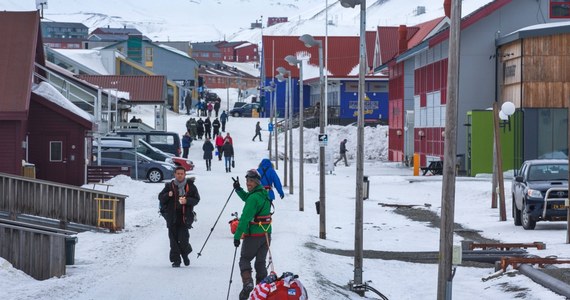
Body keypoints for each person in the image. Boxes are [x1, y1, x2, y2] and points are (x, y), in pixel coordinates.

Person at [231, 169, 272, 300]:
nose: (248, 183)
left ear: (256, 182)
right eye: (247, 181)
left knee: (244, 259)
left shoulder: (253, 198)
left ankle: (248, 283)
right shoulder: (263, 193)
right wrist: (239, 189)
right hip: (266, 235)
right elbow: (249, 199)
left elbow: (244, 219)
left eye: (251, 181)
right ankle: (262, 290)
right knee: (260, 262)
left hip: (253, 236)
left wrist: (237, 236)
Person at [158, 167, 200, 267]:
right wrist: (168, 195)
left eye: (182, 173)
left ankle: (185, 254)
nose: (180, 175)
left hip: (185, 217)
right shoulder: (169, 186)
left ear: (185, 174)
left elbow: (197, 199)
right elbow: (160, 197)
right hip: (171, 217)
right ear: (175, 174)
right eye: (178, 173)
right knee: (173, 241)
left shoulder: (190, 186)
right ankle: (176, 261)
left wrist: (187, 201)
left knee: (184, 239)